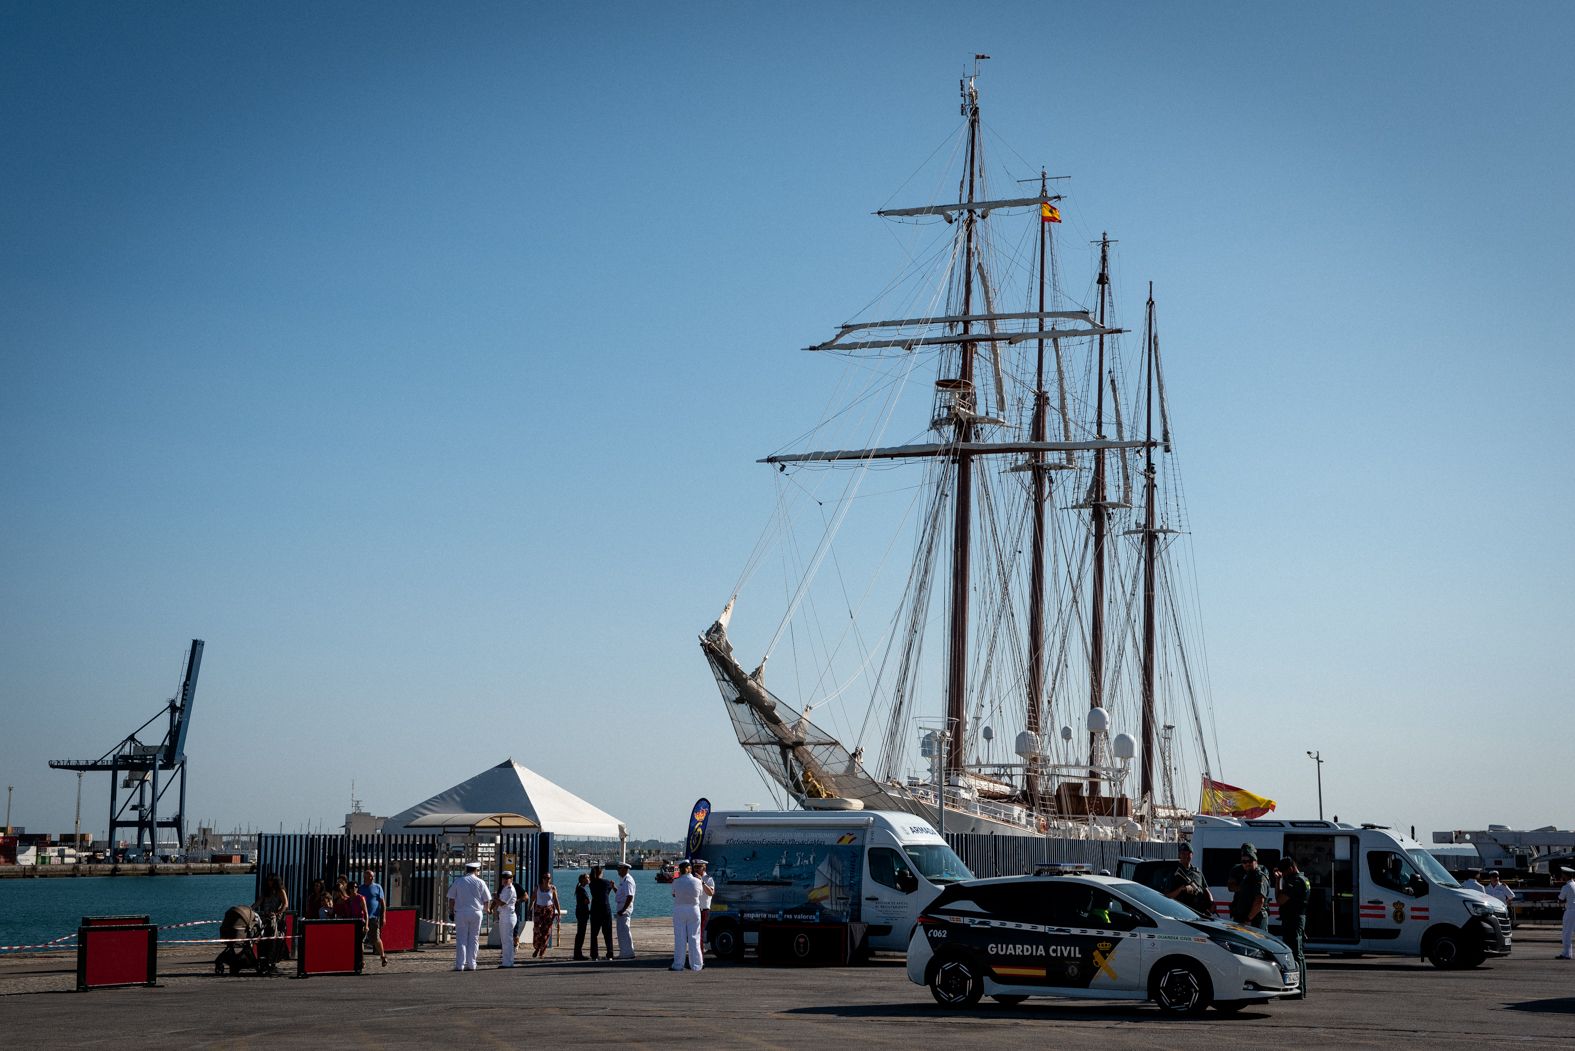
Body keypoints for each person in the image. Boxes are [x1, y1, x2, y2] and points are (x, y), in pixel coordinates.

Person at [1274, 855, 1311, 999]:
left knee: (1296, 955)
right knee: (1298, 954)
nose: (1283, 874)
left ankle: (1298, 989)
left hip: (1293, 920)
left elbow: (1280, 899)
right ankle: (1300, 988)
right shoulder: (1304, 879)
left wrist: (1278, 881)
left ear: (1291, 868)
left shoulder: (1296, 881)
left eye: (1284, 872)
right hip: (1297, 919)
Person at [446, 861, 492, 971]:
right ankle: (472, 964)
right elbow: (487, 899)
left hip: (461, 913)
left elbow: (451, 899)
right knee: (474, 938)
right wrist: (487, 909)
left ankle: (460, 965)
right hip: (476, 912)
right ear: (476, 870)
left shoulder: (458, 881)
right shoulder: (481, 882)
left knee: (461, 939)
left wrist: (451, 912)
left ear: (466, 870)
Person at [671, 860, 704, 971]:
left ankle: (678, 965)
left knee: (680, 938)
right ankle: (697, 965)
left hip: (679, 909)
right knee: (694, 938)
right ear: (690, 869)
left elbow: (674, 894)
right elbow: (700, 894)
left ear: (680, 870)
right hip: (694, 909)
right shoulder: (698, 881)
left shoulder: (676, 882)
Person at [1163, 843, 1213, 916]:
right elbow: (1167, 896)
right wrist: (1181, 889)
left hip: (1200, 913)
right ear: (1179, 855)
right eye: (1183, 853)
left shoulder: (1197, 872)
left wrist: (1212, 902)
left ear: (1192, 855)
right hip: (1182, 914)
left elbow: (1206, 890)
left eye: (1188, 853)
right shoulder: (1173, 873)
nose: (1186, 856)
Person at [252, 874, 289, 970]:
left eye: (271, 880)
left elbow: (285, 904)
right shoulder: (266, 891)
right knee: (263, 939)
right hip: (265, 917)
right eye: (268, 880)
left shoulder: (281, 891)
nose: (270, 882)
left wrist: (278, 912)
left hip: (276, 919)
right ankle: (263, 959)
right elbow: (259, 902)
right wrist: (250, 909)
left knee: (273, 940)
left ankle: (272, 961)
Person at [1230, 843, 1270, 930]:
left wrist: (1248, 919)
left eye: (1250, 861)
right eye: (1244, 862)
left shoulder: (1259, 875)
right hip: (1242, 916)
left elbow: (1259, 901)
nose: (1247, 864)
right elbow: (1231, 886)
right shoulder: (1239, 871)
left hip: (1254, 919)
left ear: (1255, 861)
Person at [359, 867, 389, 968]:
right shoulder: (360, 888)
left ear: (372, 877)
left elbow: (382, 903)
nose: (366, 878)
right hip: (363, 918)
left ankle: (383, 956)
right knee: (361, 939)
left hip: (374, 917)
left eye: (368, 876)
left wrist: (383, 916)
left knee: (376, 938)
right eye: (365, 876)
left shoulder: (378, 887)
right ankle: (361, 960)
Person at [491, 870, 518, 968]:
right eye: (504, 878)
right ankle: (507, 962)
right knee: (505, 940)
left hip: (508, 916)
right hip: (504, 915)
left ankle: (508, 963)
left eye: (508, 878)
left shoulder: (510, 889)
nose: (506, 880)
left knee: (507, 940)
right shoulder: (504, 888)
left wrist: (495, 897)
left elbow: (502, 903)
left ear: (511, 879)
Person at [588, 864, 615, 960]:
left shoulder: (591, 884)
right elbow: (607, 893)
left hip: (595, 909)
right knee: (607, 933)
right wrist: (612, 886)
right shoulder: (606, 883)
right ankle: (610, 954)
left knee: (594, 934)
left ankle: (594, 955)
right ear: (600, 872)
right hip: (605, 909)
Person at [530, 873, 560, 958]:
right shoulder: (537, 888)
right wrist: (529, 910)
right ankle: (537, 947)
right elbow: (532, 900)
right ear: (542, 879)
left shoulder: (553, 888)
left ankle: (542, 950)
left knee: (546, 932)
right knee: (537, 931)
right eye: (546, 878)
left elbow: (556, 901)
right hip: (538, 911)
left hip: (549, 911)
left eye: (549, 878)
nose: (547, 879)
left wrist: (558, 913)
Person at [614, 862, 637, 959]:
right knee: (621, 931)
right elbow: (620, 895)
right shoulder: (623, 880)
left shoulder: (628, 880)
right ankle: (624, 952)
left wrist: (623, 910)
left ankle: (628, 952)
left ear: (624, 869)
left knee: (625, 930)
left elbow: (630, 896)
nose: (618, 871)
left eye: (619, 869)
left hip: (624, 908)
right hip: (621, 906)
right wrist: (613, 887)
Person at [573, 873, 592, 960]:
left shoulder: (580, 889)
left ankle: (577, 952)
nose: (589, 879)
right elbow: (587, 901)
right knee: (581, 933)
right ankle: (578, 954)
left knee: (580, 933)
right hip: (582, 912)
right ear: (583, 880)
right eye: (587, 877)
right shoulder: (582, 890)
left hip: (580, 912)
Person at [696, 859, 715, 943]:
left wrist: (702, 882)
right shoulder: (693, 879)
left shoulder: (709, 879)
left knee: (700, 935)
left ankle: (700, 955)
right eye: (695, 867)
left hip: (703, 910)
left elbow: (711, 893)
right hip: (694, 910)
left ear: (704, 868)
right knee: (694, 934)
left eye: (698, 867)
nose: (696, 869)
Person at [1558, 867, 1575, 960]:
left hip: (1570, 912)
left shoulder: (1566, 886)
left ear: (1566, 875)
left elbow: (1561, 899)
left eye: (1563, 874)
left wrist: (1560, 902)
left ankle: (1567, 954)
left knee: (1567, 933)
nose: (1562, 875)